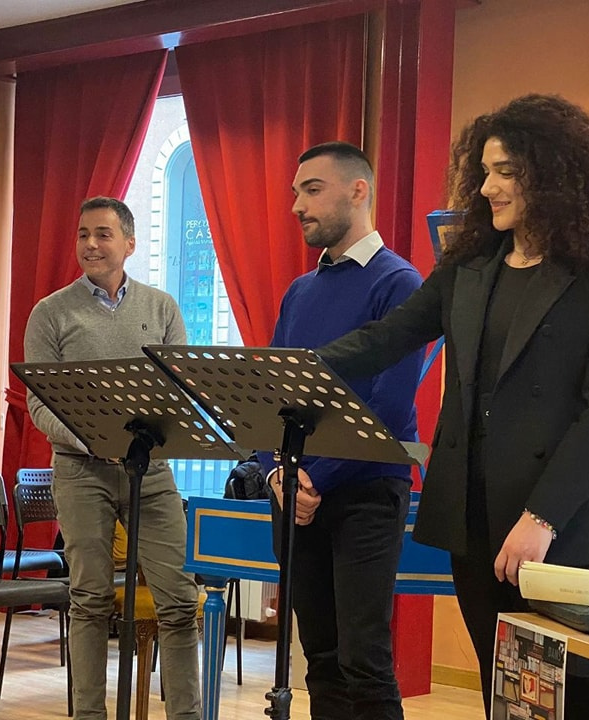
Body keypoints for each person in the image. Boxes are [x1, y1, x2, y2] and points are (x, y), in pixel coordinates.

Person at [315, 95, 589, 720]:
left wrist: (542, 518)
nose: (487, 187)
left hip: (559, 524)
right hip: (473, 520)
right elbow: (388, 336)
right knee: (504, 695)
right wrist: (301, 368)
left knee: (573, 702)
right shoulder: (468, 263)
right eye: (485, 171)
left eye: (506, 172)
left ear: (552, 175)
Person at [257, 142, 425, 720]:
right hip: (296, 492)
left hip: (364, 492)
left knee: (363, 660)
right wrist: (276, 474)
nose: (297, 206)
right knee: (321, 660)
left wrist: (311, 477)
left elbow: (389, 408)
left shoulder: (399, 282)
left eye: (312, 190)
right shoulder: (299, 291)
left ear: (358, 191)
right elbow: (268, 398)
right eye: (295, 193)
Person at [25, 196, 201, 720]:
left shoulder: (161, 308)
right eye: (83, 234)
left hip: (152, 471)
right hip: (81, 471)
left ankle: (187, 715)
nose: (90, 244)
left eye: (102, 234)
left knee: (179, 599)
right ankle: (89, 715)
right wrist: (92, 438)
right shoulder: (50, 312)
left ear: (129, 243)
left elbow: (181, 390)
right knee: (90, 598)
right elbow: (39, 403)